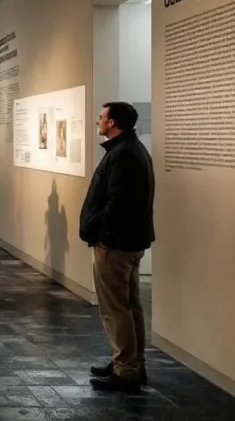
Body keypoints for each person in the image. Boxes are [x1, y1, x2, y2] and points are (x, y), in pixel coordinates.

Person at [79, 101, 155, 393]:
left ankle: (126, 370)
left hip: (116, 244)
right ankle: (132, 363)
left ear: (112, 123)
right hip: (131, 241)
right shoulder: (133, 150)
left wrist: (103, 235)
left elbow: (117, 203)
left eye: (101, 117)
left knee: (115, 309)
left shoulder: (122, 154)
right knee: (130, 305)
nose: (98, 120)